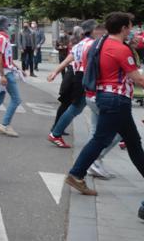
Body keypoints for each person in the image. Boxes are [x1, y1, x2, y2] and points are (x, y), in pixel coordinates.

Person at [65, 12, 144, 202]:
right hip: (116, 99)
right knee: (101, 139)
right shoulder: (120, 49)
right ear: (124, 28)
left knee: (132, 141)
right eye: (130, 26)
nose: (131, 30)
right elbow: (138, 78)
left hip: (105, 96)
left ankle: (76, 174)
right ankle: (76, 174)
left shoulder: (100, 44)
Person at [47, 22, 101, 149]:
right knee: (76, 107)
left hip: (78, 77)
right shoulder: (93, 44)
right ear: (93, 31)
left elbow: (68, 60)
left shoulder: (80, 44)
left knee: (77, 107)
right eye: (99, 29)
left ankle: (56, 132)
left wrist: (55, 71)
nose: (102, 32)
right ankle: (56, 133)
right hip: (84, 77)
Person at [0, 16, 22, 137]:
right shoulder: (2, 38)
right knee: (16, 99)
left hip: (1, 70)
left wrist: (16, 66)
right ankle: (5, 125)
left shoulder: (0, 37)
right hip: (4, 72)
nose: (9, 25)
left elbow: (5, 57)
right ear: (3, 25)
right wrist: (2, 75)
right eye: (8, 23)